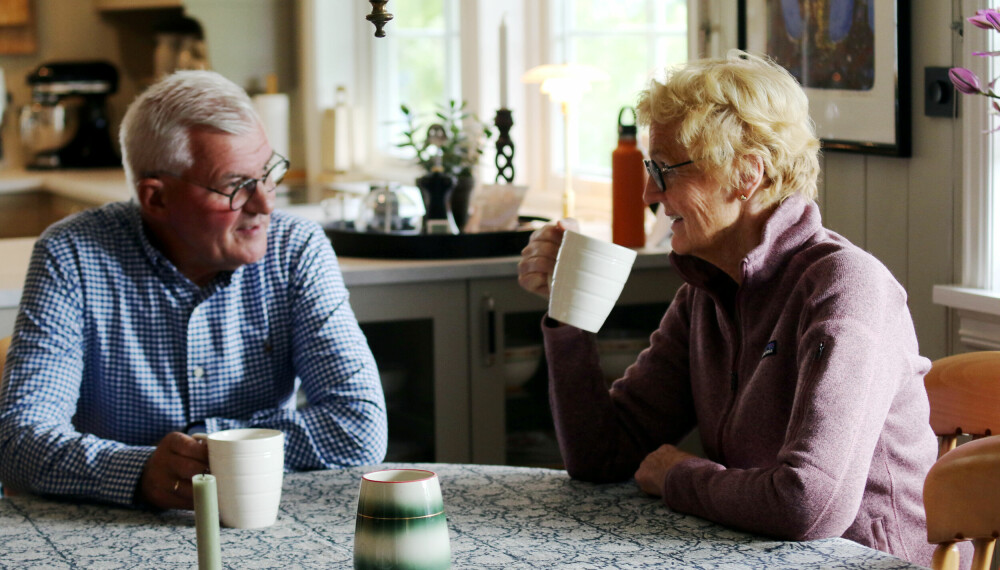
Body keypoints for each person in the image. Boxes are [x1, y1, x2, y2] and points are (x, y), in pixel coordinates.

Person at [517, 51, 938, 566]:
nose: (649, 192)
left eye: (666, 169)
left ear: (746, 173)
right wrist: (569, 307)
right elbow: (601, 455)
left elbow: (810, 505)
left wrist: (678, 475)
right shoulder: (706, 291)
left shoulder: (846, 288)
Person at [0, 70, 388, 510]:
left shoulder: (296, 249)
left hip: (259, 519)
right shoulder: (72, 255)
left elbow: (359, 428)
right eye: (236, 186)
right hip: (105, 527)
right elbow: (20, 443)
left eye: (268, 172)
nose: (264, 204)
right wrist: (141, 472)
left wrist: (209, 449)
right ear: (156, 199)